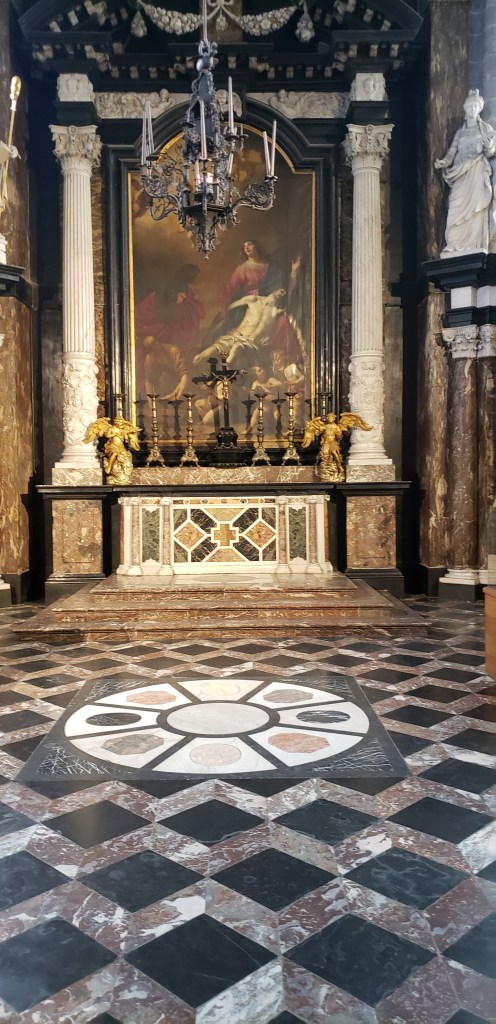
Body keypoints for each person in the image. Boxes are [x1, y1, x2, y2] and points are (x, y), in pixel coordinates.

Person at [435, 90, 496, 256]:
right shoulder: (460, 132)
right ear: (465, 108)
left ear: (479, 109)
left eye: (475, 106)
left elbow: (491, 152)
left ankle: (474, 244)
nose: (472, 109)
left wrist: (488, 145)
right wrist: (444, 162)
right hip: (460, 172)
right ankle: (454, 243)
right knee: (455, 204)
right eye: (470, 106)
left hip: (476, 170)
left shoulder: (486, 129)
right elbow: (452, 151)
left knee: (476, 206)